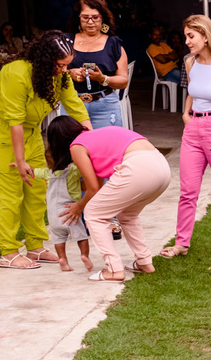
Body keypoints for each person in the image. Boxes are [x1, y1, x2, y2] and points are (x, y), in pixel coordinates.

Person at [0, 31, 91, 269]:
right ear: (45, 58)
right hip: (2, 134)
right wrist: (20, 161)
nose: (64, 70)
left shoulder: (58, 76)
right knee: (10, 192)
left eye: (67, 65)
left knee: (37, 189)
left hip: (30, 133)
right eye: (60, 65)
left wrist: (91, 141)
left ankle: (35, 246)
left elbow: (76, 106)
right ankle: (9, 251)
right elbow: (15, 121)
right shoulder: (16, 73)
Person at [44, 117, 172, 282]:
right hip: (161, 167)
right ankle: (145, 262)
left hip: (137, 167)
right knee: (127, 214)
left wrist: (79, 206)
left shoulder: (76, 146)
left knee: (94, 214)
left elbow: (93, 189)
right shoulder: (92, 137)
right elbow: (96, 186)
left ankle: (113, 270)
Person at [160, 15, 211, 261]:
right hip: (193, 130)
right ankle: (181, 243)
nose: (186, 41)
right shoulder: (189, 62)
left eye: (191, 36)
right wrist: (186, 114)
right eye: (186, 35)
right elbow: (193, 91)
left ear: (206, 36)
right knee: (187, 192)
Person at [68, 0, 130, 130]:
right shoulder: (67, 42)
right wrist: (70, 73)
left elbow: (123, 80)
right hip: (72, 104)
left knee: (107, 148)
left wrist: (103, 79)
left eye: (95, 17)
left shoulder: (113, 44)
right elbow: (52, 71)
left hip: (105, 105)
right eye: (85, 17)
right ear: (78, 17)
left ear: (103, 18)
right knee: (73, 148)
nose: (90, 22)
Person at [31, 143, 92, 272]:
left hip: (53, 216)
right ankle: (84, 256)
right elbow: (87, 173)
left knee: (58, 238)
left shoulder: (47, 172)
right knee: (81, 237)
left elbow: (32, 171)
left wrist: (20, 165)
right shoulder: (74, 170)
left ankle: (62, 259)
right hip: (69, 212)